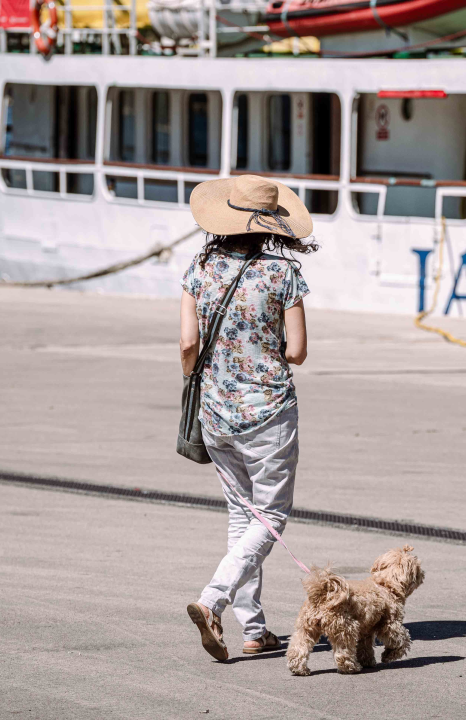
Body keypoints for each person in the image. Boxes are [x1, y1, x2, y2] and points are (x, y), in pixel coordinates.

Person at [180, 175, 317, 661]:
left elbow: (188, 344)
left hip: (216, 413)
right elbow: (297, 352)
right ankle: (213, 598)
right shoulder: (283, 274)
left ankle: (255, 630)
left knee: (242, 517)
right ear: (271, 225)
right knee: (270, 516)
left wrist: (203, 381)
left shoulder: (200, 267)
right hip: (269, 413)